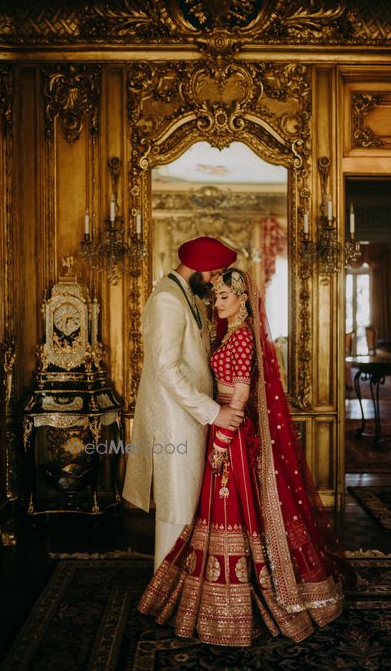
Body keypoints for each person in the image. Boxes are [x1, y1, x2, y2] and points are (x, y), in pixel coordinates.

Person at [137, 268, 360, 646]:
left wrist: (221, 443)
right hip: (222, 426)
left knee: (233, 511)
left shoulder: (241, 339)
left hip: (231, 431)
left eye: (225, 297)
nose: (217, 303)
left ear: (243, 300)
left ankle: (243, 601)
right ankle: (221, 599)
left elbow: (239, 397)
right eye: (216, 296)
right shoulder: (232, 335)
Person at [123, 238, 245, 571]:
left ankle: (183, 586)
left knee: (189, 505)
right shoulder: (167, 299)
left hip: (190, 416)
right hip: (176, 419)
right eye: (214, 273)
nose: (215, 280)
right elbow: (166, 368)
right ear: (200, 267)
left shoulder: (186, 295)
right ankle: (164, 589)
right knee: (177, 507)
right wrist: (214, 412)